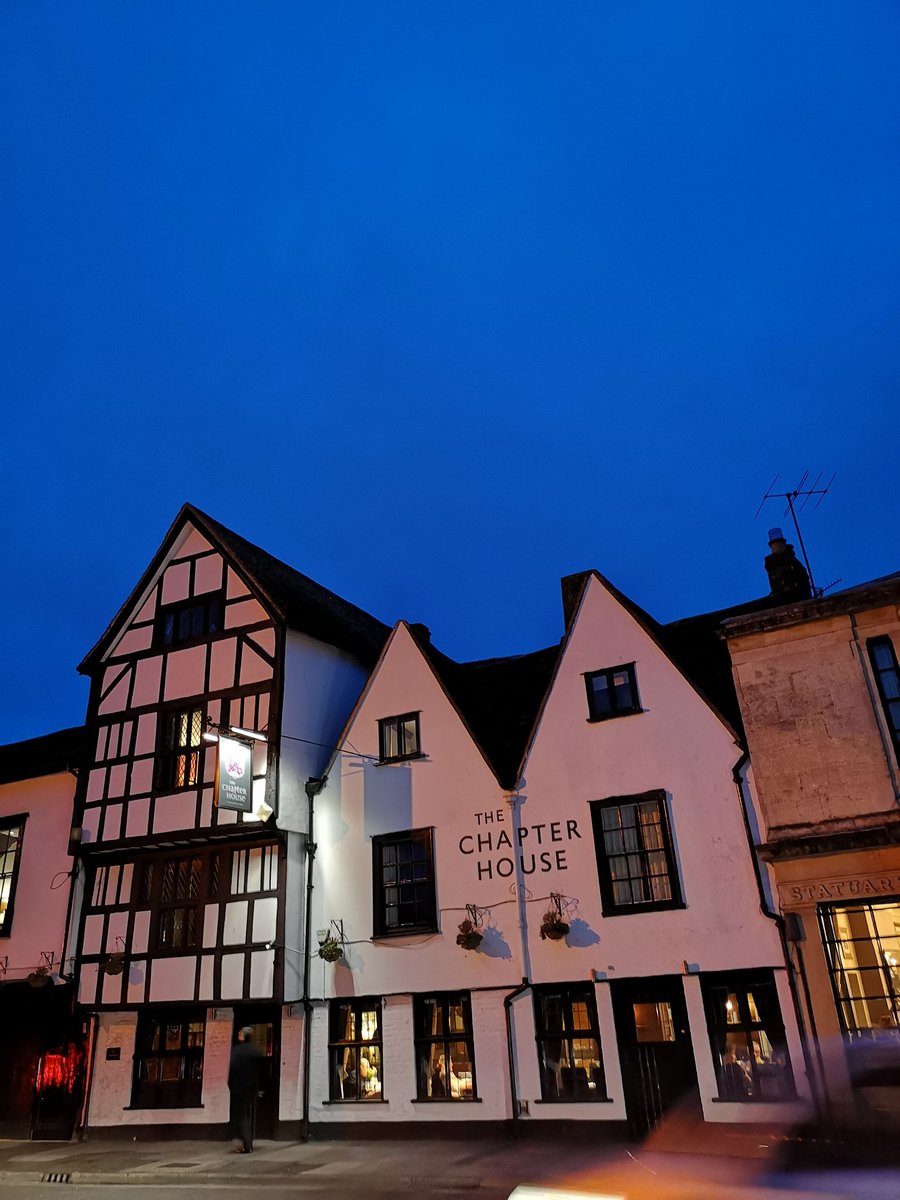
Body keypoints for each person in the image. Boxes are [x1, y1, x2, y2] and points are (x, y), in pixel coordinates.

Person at [228, 1026, 262, 1153]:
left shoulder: (237, 1051)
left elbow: (232, 1070)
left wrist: (231, 1086)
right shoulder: (255, 1051)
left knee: (241, 1116)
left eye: (240, 1033)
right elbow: (260, 1070)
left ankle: (247, 1145)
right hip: (251, 1089)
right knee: (247, 1115)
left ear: (243, 1036)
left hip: (239, 1089)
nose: (239, 1035)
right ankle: (248, 1141)